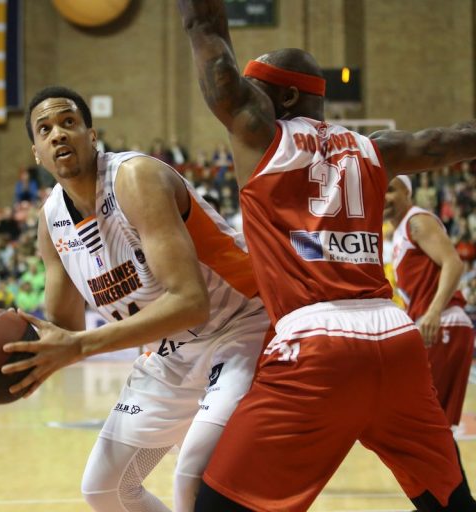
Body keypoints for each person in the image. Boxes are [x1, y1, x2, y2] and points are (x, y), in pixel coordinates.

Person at [178, 1, 476, 510]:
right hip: (396, 340)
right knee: (450, 502)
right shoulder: (375, 148)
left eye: (257, 90)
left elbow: (207, 31)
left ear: (286, 96)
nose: (245, 100)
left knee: (217, 503)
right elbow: (452, 140)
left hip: (317, 348)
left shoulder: (262, 136)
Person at [1, 86, 270, 512]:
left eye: (69, 122)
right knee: (104, 489)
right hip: (168, 351)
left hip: (240, 326)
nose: (57, 134)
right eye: (45, 129)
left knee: (191, 475)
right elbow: (66, 328)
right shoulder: (51, 223)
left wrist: (80, 345)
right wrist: (5, 351)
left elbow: (190, 302)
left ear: (92, 136)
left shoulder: (135, 178)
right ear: (36, 152)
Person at [385, 175, 474, 477]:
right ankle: (452, 501)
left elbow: (453, 263)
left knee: (425, 424)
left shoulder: (417, 222)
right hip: (431, 327)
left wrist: (434, 311)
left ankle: (452, 502)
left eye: (391, 190)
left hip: (443, 323)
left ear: (407, 192)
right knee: (434, 427)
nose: (384, 197)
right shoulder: (396, 234)